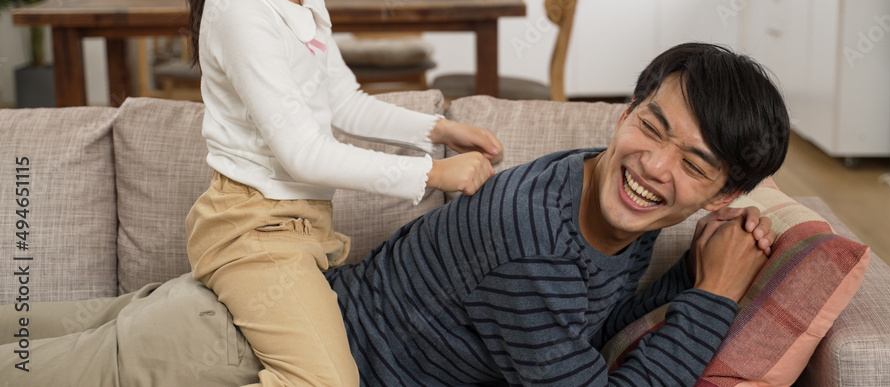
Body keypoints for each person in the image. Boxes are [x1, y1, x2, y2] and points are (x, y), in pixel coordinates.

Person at [0, 42, 789, 386]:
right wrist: (715, 297)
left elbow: (597, 321)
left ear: (723, 196)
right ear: (624, 112)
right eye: (652, 127)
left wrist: (694, 270)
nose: (655, 165)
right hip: (233, 352)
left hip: (239, 319)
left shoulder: (595, 190)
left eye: (694, 163)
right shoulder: (533, 239)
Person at [180, 0, 502, 386]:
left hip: (296, 228)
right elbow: (303, 154)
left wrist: (439, 129)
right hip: (250, 231)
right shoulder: (238, 8)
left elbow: (343, 103)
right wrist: (432, 171)